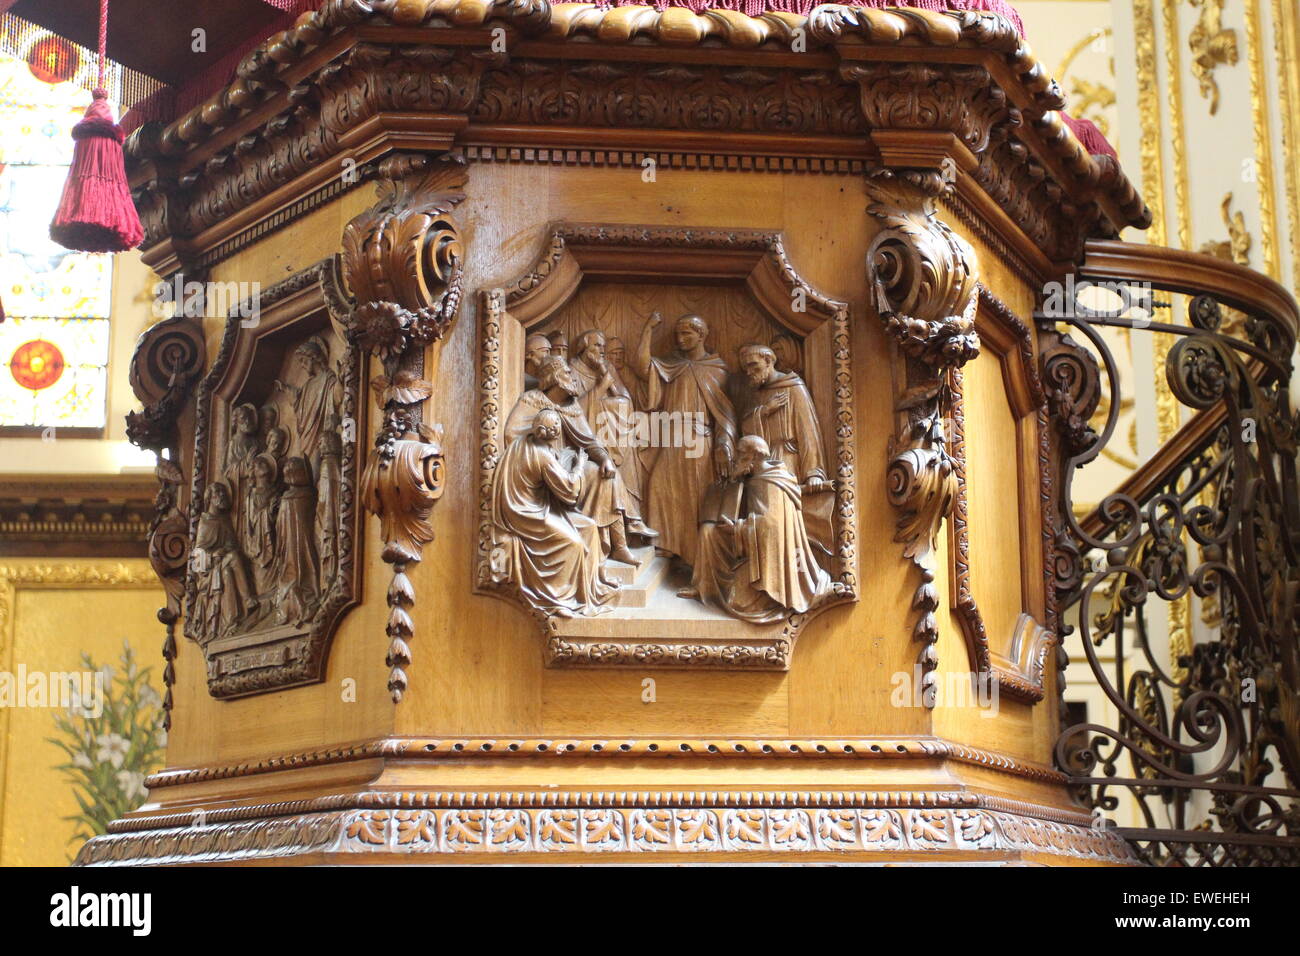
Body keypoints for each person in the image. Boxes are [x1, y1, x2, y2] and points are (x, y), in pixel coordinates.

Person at [679, 435, 839, 623]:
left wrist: (738, 528)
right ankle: (703, 585)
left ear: (752, 457)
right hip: (752, 540)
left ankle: (768, 593)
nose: (736, 459)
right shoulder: (755, 478)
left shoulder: (771, 482)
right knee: (708, 532)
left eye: (740, 454)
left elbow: (772, 526)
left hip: (771, 555)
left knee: (739, 602)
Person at [502, 356, 644, 564]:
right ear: (555, 377)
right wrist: (543, 453)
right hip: (543, 468)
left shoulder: (572, 406)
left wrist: (605, 458)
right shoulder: (532, 400)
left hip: (570, 461)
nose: (573, 377)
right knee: (594, 476)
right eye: (568, 373)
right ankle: (593, 545)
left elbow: (589, 441)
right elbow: (511, 434)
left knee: (605, 476)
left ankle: (619, 546)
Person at [631, 312, 737, 568]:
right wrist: (648, 329)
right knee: (659, 486)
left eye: (685, 334)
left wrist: (724, 443)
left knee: (695, 494)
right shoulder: (671, 365)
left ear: (700, 335)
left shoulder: (716, 368)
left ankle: (695, 554)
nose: (679, 339)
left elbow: (724, 413)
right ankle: (667, 543)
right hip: (671, 437)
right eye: (677, 334)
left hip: (699, 440)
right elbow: (643, 367)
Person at [488, 408, 617, 616]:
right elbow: (570, 490)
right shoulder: (542, 455)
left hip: (538, 507)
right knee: (573, 544)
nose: (558, 431)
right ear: (542, 430)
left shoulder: (524, 441)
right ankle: (559, 599)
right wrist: (579, 466)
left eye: (558, 425)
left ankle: (591, 588)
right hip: (527, 516)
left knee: (590, 527)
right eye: (554, 427)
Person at [569, 328, 652, 525]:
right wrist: (600, 388)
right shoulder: (572, 370)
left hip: (615, 433)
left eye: (603, 347)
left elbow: (625, 399)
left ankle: (631, 514)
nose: (602, 350)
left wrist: (605, 372)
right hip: (587, 434)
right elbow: (572, 411)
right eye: (597, 345)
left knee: (629, 443)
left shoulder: (606, 368)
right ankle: (628, 518)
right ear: (584, 348)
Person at [192, 480, 259, 639]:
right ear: (210, 499)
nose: (221, 496)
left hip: (223, 565)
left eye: (223, 493)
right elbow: (198, 559)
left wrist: (225, 551)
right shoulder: (205, 522)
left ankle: (235, 617)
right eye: (217, 494)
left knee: (229, 568)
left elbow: (232, 545)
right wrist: (213, 555)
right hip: (208, 573)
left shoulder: (225, 520)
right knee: (231, 563)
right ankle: (245, 603)